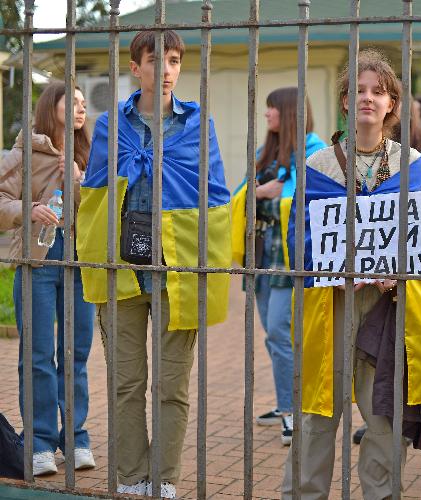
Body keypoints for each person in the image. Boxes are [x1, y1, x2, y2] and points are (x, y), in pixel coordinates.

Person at [281, 49, 421, 499]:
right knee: (317, 414)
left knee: (384, 417)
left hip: (389, 309)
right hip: (331, 306)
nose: (367, 99)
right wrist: (332, 268)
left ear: (392, 104)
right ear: (344, 101)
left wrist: (399, 275)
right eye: (358, 91)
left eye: (378, 92)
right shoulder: (318, 166)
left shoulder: (412, 164)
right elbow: (301, 239)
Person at [75, 30, 232, 498]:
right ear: (135, 67)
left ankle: (163, 478)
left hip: (176, 269)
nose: (165, 69)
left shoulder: (198, 124)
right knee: (126, 383)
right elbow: (97, 195)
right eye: (154, 60)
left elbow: (215, 196)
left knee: (171, 386)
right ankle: (131, 477)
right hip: (122, 268)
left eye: (174, 60)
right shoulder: (109, 126)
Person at [0, 82, 95, 476]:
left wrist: (79, 179)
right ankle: (39, 443)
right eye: (71, 101)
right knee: (38, 354)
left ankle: (75, 438)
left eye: (83, 103)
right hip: (37, 260)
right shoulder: (23, 154)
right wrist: (28, 208)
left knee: (76, 353)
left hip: (81, 262)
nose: (79, 109)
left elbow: (105, 207)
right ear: (48, 105)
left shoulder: (93, 154)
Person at [229, 87, 326, 446]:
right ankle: (288, 402)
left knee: (279, 332)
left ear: (288, 114)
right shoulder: (266, 151)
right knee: (275, 337)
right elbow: (242, 193)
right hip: (262, 255)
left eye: (272, 109)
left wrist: (272, 192)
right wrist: (260, 193)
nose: (266, 114)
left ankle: (292, 409)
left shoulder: (315, 152)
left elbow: (304, 198)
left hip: (290, 258)